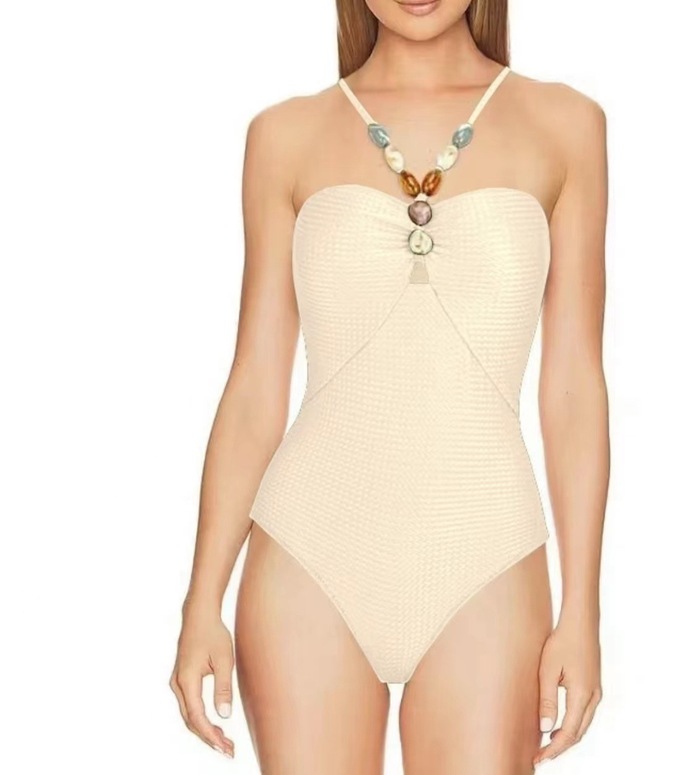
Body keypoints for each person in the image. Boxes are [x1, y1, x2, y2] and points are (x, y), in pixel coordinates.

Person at [169, 1, 610, 772]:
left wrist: (583, 610)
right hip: (308, 550)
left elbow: (573, 383)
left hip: (486, 549)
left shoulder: (565, 125)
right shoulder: (284, 135)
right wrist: (201, 600)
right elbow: (255, 385)